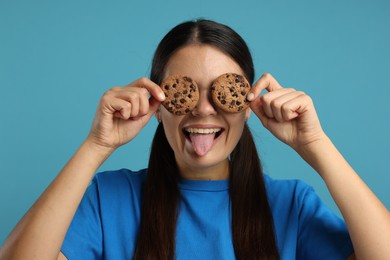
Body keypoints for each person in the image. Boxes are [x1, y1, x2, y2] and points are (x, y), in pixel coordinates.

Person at [0, 19, 389, 260]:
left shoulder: (291, 207)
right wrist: (96, 146)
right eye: (185, 91)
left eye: (222, 92)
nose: (203, 109)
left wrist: (317, 145)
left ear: (247, 103)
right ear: (158, 103)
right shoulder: (109, 199)